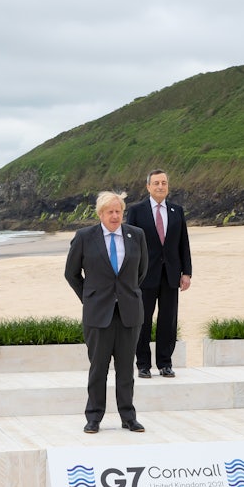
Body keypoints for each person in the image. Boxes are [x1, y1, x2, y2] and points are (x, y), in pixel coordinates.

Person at [65, 191, 149, 434]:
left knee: (126, 369)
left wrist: (125, 294)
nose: (115, 216)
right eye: (110, 211)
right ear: (100, 214)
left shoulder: (136, 235)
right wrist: (89, 298)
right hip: (98, 314)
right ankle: (94, 417)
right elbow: (71, 273)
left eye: (118, 211)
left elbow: (141, 271)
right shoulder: (84, 237)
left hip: (129, 312)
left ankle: (128, 417)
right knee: (98, 369)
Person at [125, 169, 192, 378]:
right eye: (156, 183)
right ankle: (143, 364)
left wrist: (187, 272)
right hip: (144, 275)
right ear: (148, 186)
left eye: (164, 183)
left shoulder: (176, 211)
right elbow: (130, 245)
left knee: (168, 320)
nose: (160, 186)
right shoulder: (136, 211)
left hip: (171, 274)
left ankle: (165, 363)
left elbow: (183, 243)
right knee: (142, 320)